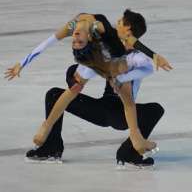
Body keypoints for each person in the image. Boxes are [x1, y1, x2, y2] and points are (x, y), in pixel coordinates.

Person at [5, 9, 172, 156]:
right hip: (103, 110)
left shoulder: (131, 55)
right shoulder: (98, 41)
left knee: (148, 105)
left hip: (121, 115)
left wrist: (149, 59)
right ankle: (51, 147)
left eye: (120, 22)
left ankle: (130, 152)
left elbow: (133, 45)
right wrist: (23, 63)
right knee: (54, 95)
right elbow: (51, 44)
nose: (117, 22)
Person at [26, 54, 164, 168]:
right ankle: (129, 153)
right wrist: (72, 80)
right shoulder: (111, 56)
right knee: (54, 95)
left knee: (155, 110)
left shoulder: (133, 58)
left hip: (115, 113)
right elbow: (76, 69)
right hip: (109, 112)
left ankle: (129, 153)